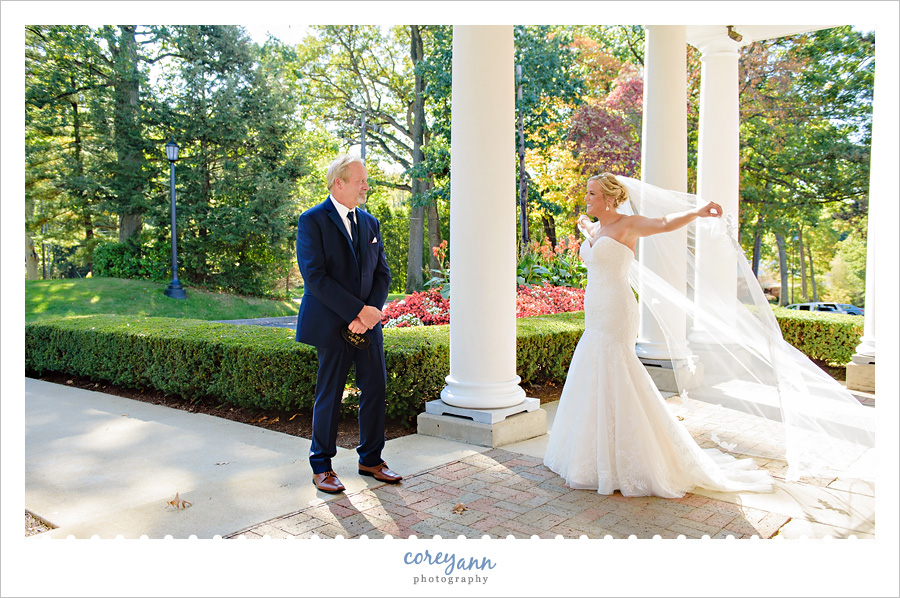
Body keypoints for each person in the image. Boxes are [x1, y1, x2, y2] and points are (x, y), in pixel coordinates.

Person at [543, 173, 774, 497]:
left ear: (609, 198)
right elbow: (591, 240)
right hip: (594, 311)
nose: (587, 198)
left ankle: (635, 457)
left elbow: (664, 222)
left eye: (592, 193)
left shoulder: (629, 224)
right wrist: (586, 227)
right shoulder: (594, 228)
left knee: (619, 372)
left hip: (617, 310)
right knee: (593, 371)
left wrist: (696, 212)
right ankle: (591, 457)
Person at [295, 154, 402, 494]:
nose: (366, 186)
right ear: (338, 183)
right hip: (331, 324)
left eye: (365, 181)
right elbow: (316, 278)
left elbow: (382, 273)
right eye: (360, 181)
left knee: (376, 389)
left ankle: (371, 459)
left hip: (369, 325)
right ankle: (322, 466)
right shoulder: (311, 221)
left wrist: (371, 311)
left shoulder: (370, 223)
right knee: (330, 394)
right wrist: (358, 312)